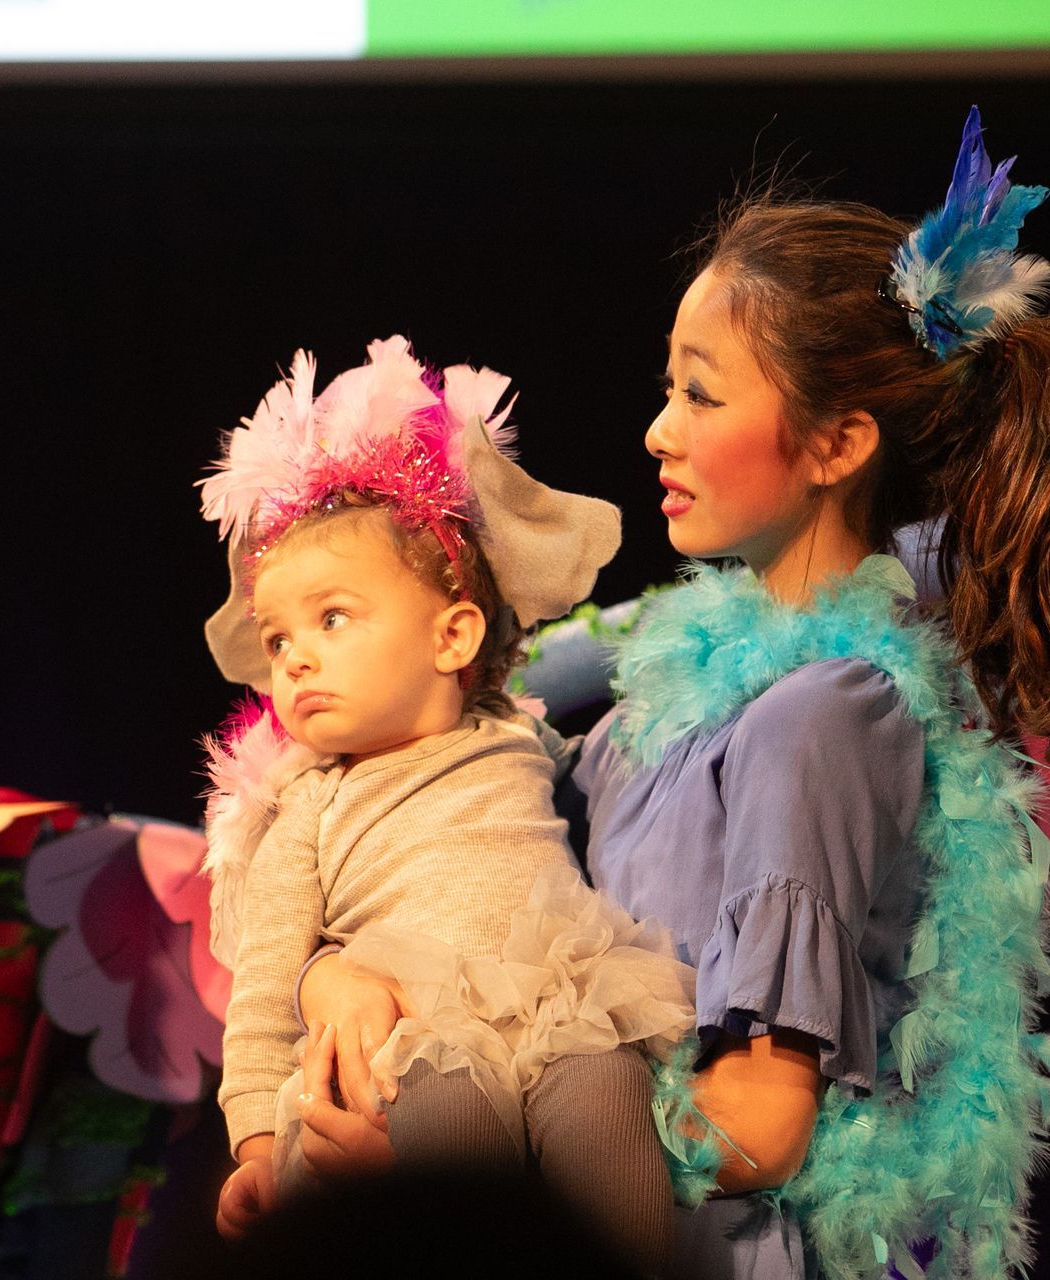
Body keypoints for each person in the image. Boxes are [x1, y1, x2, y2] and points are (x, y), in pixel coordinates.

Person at [297, 109, 1050, 1277]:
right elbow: (480, 895)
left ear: (838, 442)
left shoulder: (824, 714)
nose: (656, 430)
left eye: (701, 394)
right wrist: (343, 972)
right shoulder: (657, 701)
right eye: (667, 388)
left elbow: (758, 1119)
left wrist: (471, 1141)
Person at [197, 338, 695, 1273]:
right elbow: (264, 990)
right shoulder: (309, 804)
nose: (294, 656)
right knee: (448, 1112)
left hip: (557, 1002)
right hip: (415, 1041)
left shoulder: (516, 737)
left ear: (453, 632)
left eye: (332, 618)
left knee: (604, 1091)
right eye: (277, 637)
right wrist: (257, 1149)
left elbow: (622, 711)